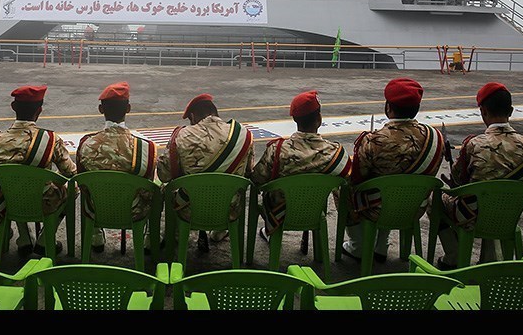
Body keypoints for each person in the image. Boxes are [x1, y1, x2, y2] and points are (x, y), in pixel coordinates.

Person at [436, 82, 523, 269]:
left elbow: (457, 181)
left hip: (470, 216)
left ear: (483, 111)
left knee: (436, 198)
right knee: (495, 198)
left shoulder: (474, 145)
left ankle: (453, 255)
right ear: (511, 111)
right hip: (508, 216)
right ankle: (490, 259)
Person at [341, 78, 444, 263]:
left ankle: (357, 245)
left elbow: (357, 179)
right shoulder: (435, 137)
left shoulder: (374, 140)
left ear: (388, 107)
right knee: (393, 185)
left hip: (379, 209)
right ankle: (381, 244)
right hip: (415, 207)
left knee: (344, 187)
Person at [0, 85, 76, 256]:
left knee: (10, 185)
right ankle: (45, 238)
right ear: (39, 110)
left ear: (13, 107)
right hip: (43, 201)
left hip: (8, 201)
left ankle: (24, 237)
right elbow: (70, 172)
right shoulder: (50, 139)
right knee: (73, 188)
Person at [157, 93, 254, 253]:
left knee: (172, 189)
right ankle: (220, 231)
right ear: (216, 113)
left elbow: (164, 175)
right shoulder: (243, 134)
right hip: (228, 209)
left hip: (191, 210)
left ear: (193, 117)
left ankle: (175, 236)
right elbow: (249, 173)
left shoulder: (181, 136)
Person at [251, 90, 351, 242]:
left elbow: (257, 180)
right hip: (314, 211)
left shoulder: (277, 150)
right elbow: (348, 179)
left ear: (295, 120)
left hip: (279, 213)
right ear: (319, 118)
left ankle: (271, 232)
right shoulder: (334, 152)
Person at [76, 81, 156, 252]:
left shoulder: (86, 145)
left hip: (96, 208)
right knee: (157, 189)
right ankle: (149, 239)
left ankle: (96, 236)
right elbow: (147, 185)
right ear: (128, 109)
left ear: (101, 109)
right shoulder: (146, 148)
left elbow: (82, 183)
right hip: (133, 210)